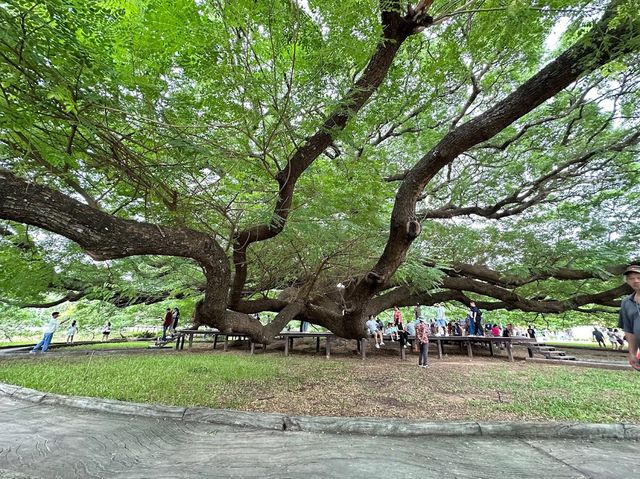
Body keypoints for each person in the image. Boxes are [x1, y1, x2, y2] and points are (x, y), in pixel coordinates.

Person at [618, 265, 640, 371]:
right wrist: (632, 353)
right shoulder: (626, 302)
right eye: (631, 278)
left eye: (639, 277)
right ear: (627, 281)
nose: (635, 281)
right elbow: (629, 330)